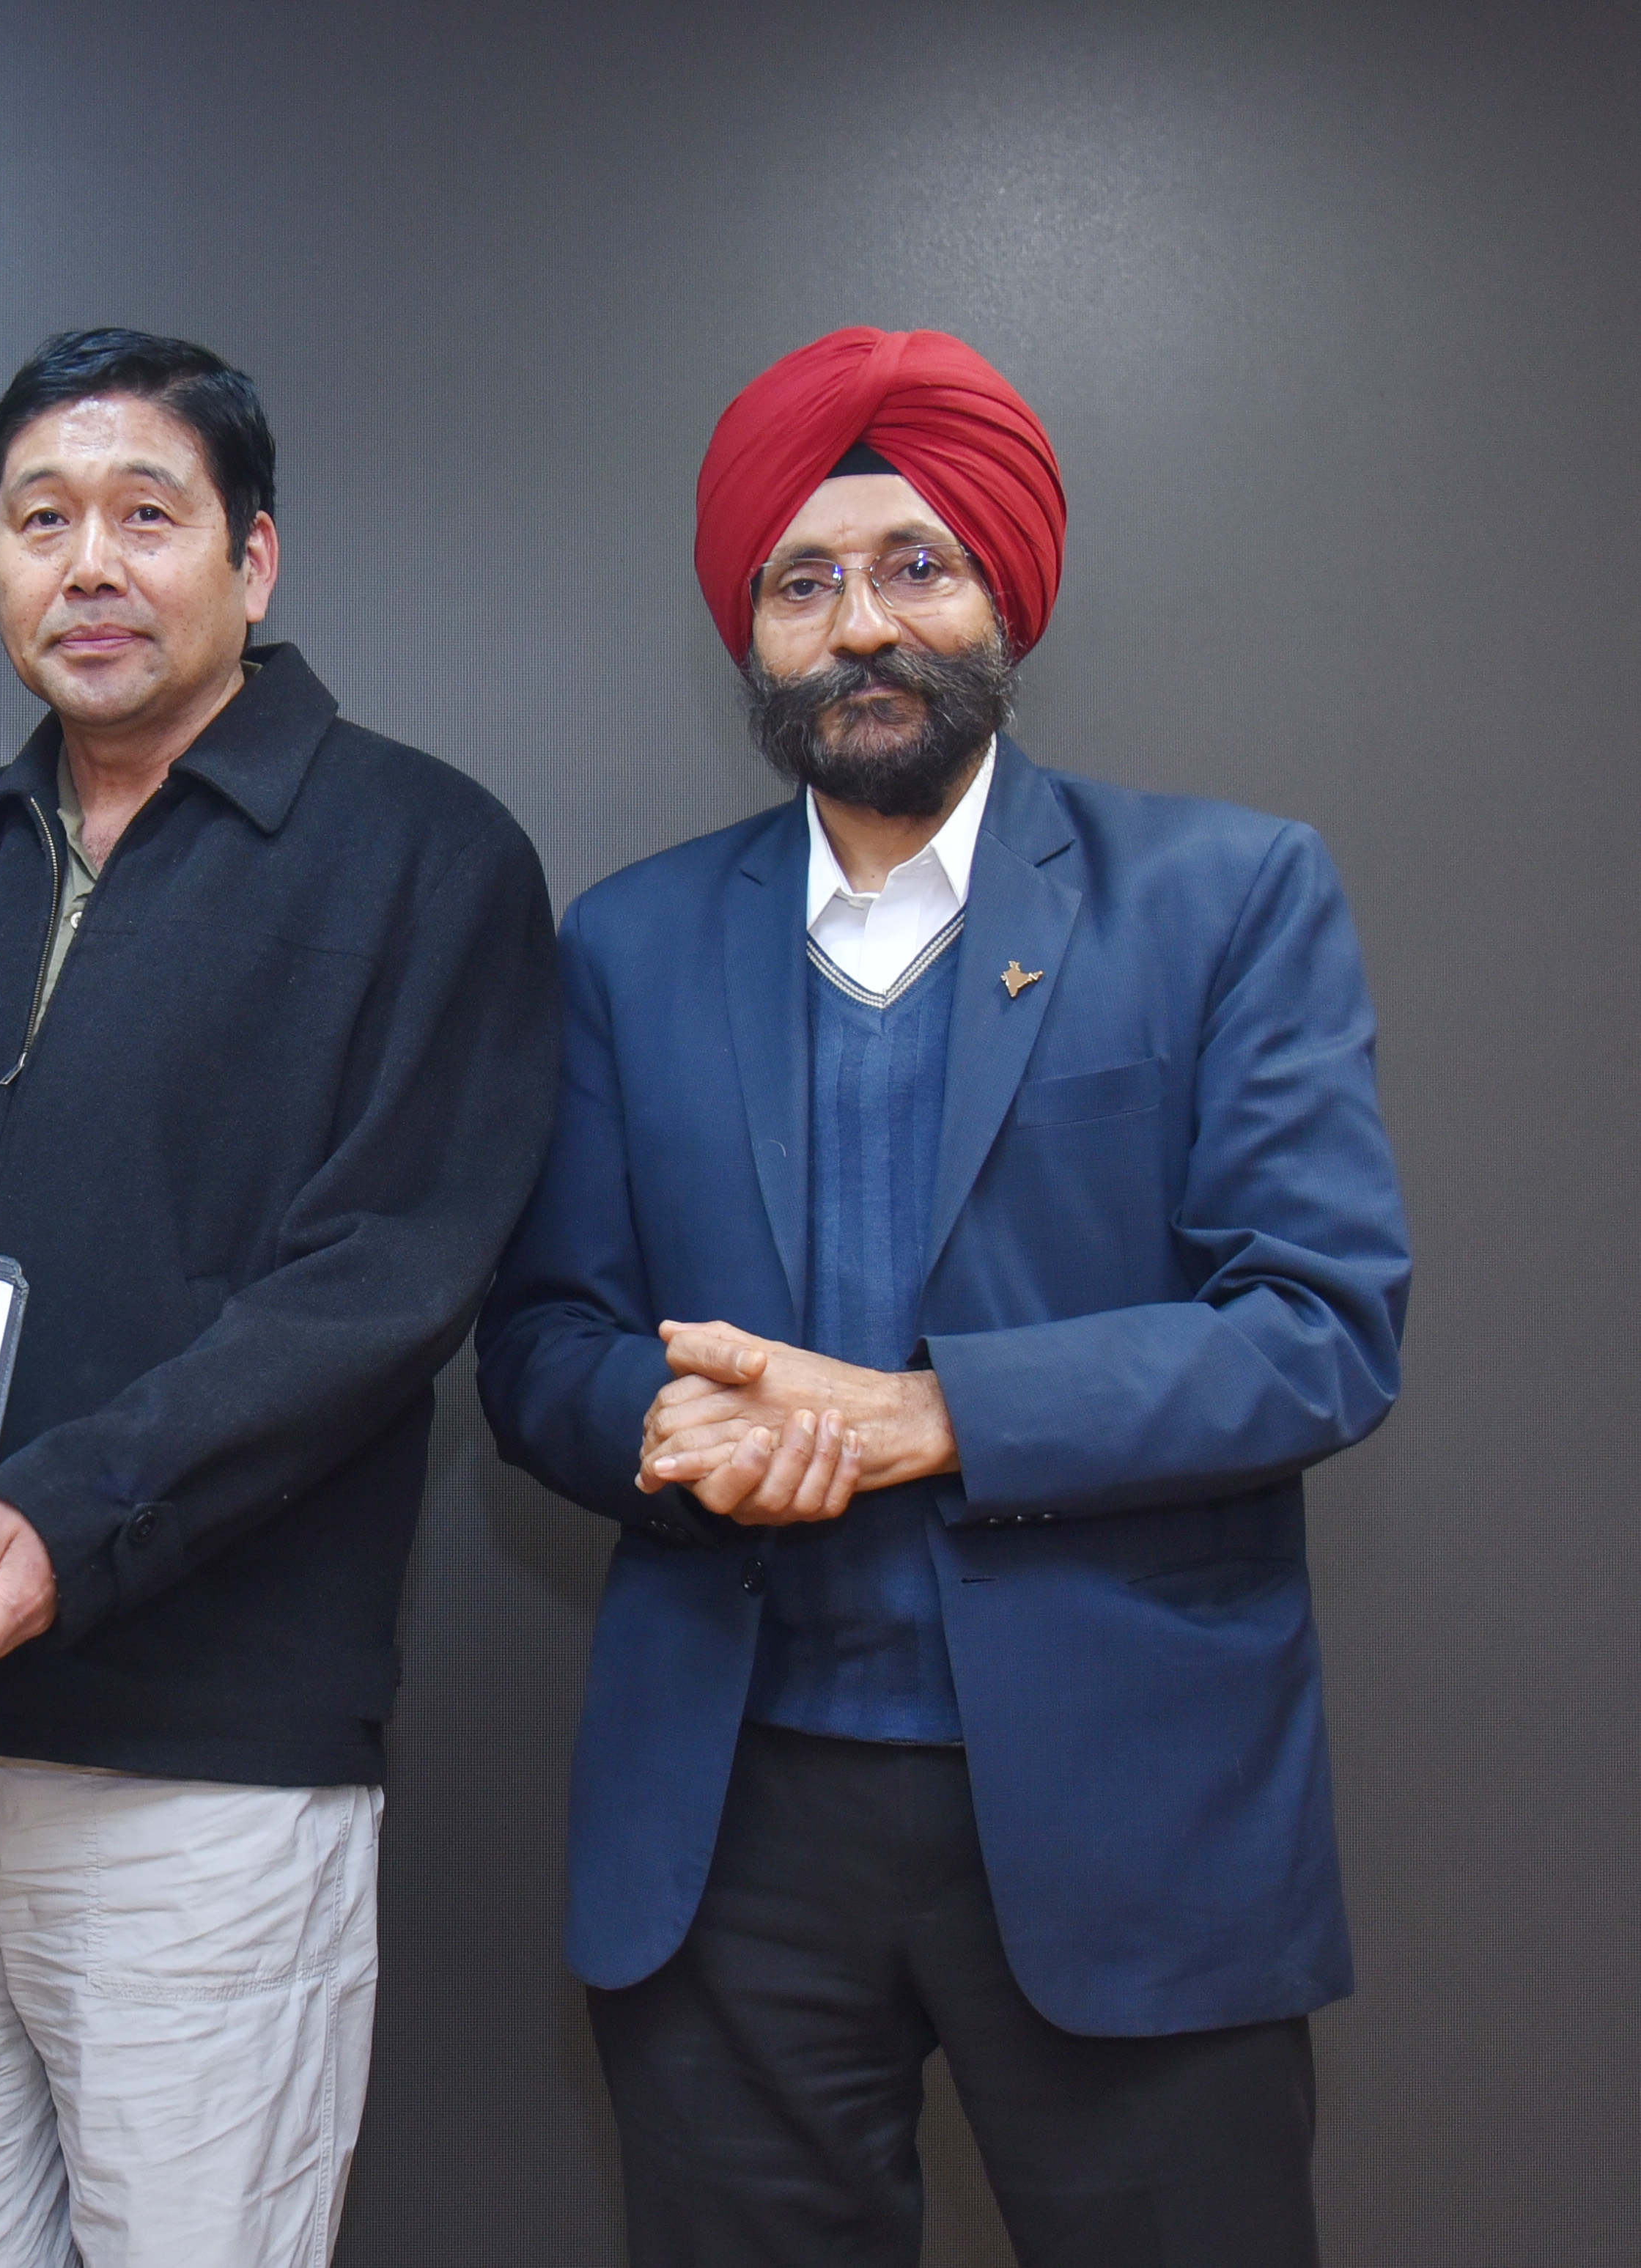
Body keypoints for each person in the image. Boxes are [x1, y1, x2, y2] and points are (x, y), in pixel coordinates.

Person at [475, 326, 1411, 2267]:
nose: (860, 626)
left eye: (915, 567)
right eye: (801, 584)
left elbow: (1317, 1330)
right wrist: (670, 1427)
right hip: (731, 1832)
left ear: (1004, 599)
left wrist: (925, 1414)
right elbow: (544, 1341)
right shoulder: (630, 941)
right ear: (749, 634)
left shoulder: (1225, 895)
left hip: (1131, 1813)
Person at [0, 328, 560, 2268]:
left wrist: (67, 1516)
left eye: (144, 515)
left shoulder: (425, 856)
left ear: (252, 560)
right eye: (39, 520)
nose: (86, 563)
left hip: (207, 1770)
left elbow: (382, 1279)